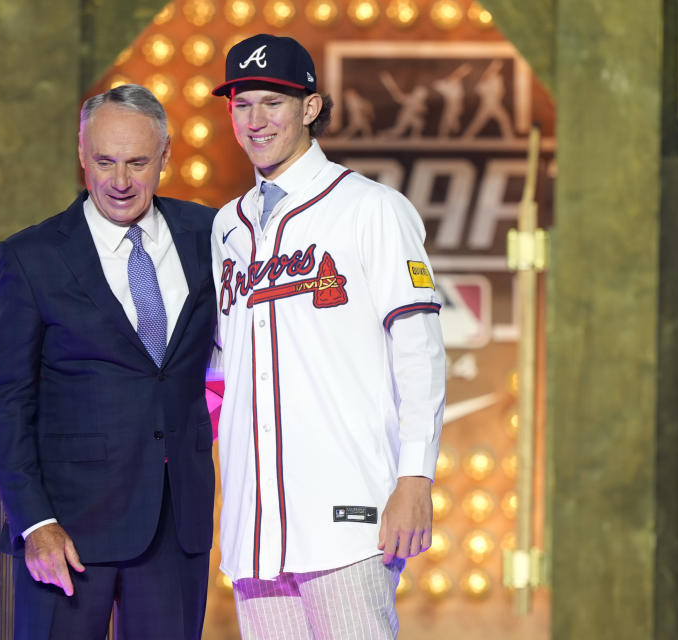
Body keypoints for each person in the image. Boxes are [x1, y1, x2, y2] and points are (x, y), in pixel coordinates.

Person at [211, 34, 446, 639]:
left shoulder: (371, 208)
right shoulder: (226, 228)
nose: (255, 120)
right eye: (242, 104)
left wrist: (416, 477)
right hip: (254, 528)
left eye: (272, 102)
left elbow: (418, 350)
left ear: (310, 108)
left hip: (350, 517)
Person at [0, 84, 217, 640]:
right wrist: (34, 522)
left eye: (137, 162)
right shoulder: (32, 256)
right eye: (105, 161)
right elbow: (8, 398)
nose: (119, 181)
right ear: (82, 154)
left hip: (175, 523)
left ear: (167, 156)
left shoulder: (212, 235)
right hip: (67, 532)